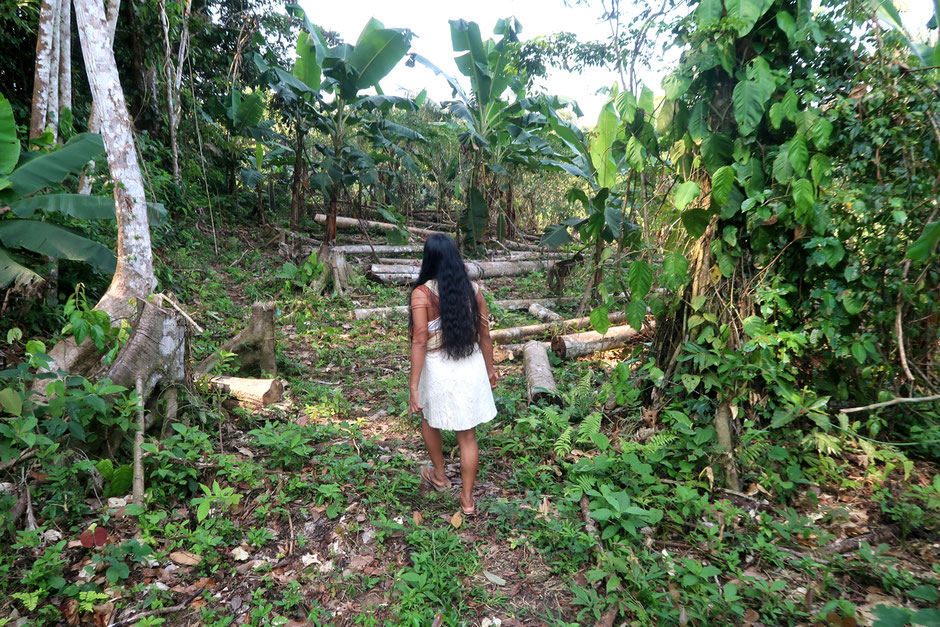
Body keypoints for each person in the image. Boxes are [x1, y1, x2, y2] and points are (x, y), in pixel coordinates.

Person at [408, 233, 497, 516]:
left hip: (437, 367)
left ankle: (440, 476)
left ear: (429, 259)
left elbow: (420, 340)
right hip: (469, 363)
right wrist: (490, 369)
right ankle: (468, 501)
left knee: (429, 418)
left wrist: (413, 385)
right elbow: (484, 334)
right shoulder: (473, 290)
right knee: (467, 436)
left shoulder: (422, 294)